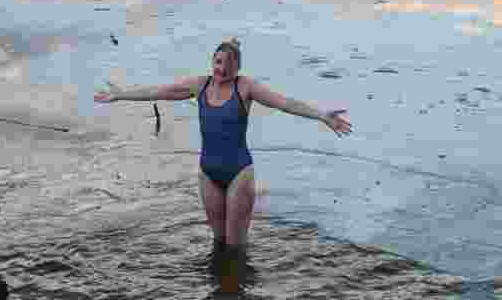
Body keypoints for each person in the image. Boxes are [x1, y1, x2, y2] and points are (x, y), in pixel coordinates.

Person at [93, 38, 352, 255]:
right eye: (218, 62)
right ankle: (220, 298)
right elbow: (159, 91)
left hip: (239, 172)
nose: (222, 69)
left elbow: (284, 102)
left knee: (235, 246)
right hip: (208, 173)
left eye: (229, 65)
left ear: (238, 67)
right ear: (212, 61)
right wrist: (120, 95)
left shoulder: (246, 87)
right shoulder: (200, 85)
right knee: (218, 243)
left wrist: (321, 115)